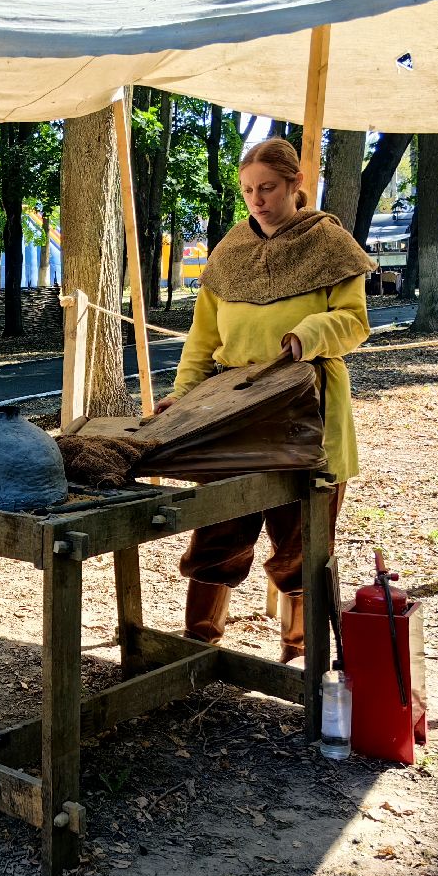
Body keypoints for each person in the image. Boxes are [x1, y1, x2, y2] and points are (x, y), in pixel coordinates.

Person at [154, 137, 372, 663]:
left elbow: (354, 322)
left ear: (297, 184)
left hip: (307, 410)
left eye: (268, 188)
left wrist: (310, 333)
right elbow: (203, 340)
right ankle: (198, 647)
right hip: (230, 412)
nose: (257, 198)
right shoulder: (230, 251)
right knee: (217, 531)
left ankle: (301, 655)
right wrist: (183, 399)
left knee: (301, 540)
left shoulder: (330, 244)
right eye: (249, 190)